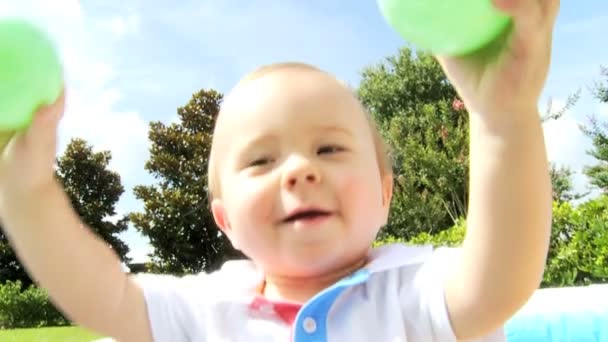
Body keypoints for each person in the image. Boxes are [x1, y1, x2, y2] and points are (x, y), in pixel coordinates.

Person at [0, 0, 558, 341]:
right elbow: (100, 294)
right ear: (225, 221)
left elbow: (501, 276)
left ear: (386, 195)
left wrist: (503, 120)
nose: (298, 172)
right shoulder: (206, 311)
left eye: (331, 150)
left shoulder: (414, 290)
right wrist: (26, 193)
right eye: (262, 161)